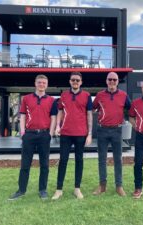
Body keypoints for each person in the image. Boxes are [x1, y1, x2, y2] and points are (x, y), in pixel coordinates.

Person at [9, 74, 57, 200]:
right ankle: (21, 190)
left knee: (44, 165)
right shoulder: (26, 98)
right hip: (29, 135)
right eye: (39, 82)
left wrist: (50, 134)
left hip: (44, 135)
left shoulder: (51, 100)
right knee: (25, 164)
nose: (42, 85)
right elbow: (23, 116)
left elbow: (53, 118)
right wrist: (23, 132)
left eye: (44, 83)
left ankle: (42, 190)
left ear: (47, 85)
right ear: (35, 84)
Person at [52, 72, 93, 200]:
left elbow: (89, 115)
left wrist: (90, 133)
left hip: (81, 134)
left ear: (81, 82)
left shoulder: (87, 96)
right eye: (73, 80)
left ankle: (77, 189)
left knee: (79, 161)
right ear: (70, 81)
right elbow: (59, 112)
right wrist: (57, 126)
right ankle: (59, 190)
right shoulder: (63, 95)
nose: (75, 82)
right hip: (66, 133)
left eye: (77, 80)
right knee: (63, 160)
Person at [92, 72, 131, 196]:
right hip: (102, 130)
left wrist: (124, 117)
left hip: (117, 131)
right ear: (106, 81)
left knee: (118, 159)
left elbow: (131, 109)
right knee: (101, 160)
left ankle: (119, 186)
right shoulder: (99, 95)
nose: (112, 82)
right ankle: (102, 186)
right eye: (110, 79)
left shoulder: (124, 95)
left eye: (114, 79)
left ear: (118, 81)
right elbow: (92, 109)